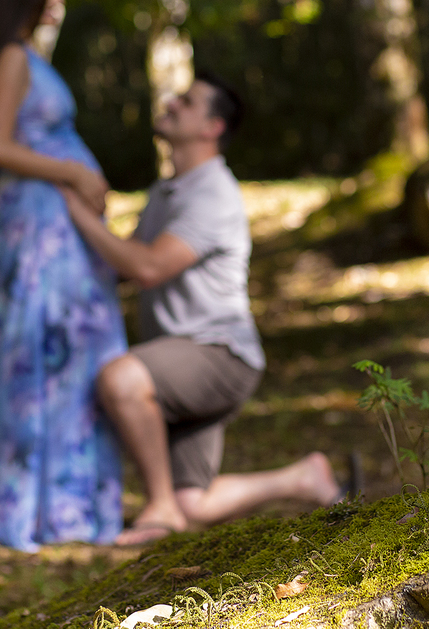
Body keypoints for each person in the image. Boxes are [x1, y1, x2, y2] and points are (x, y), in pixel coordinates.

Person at [61, 71, 344, 546]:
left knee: (121, 378)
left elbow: (149, 267)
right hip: (182, 358)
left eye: (187, 102)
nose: (171, 103)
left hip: (218, 355)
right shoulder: (168, 192)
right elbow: (126, 263)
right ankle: (302, 478)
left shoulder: (213, 193)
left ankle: (158, 507)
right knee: (195, 504)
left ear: (212, 127)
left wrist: (80, 215)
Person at [0, 0, 126, 550]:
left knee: (69, 354)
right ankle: (29, 509)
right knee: (36, 352)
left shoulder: (29, 56)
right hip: (33, 228)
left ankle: (67, 506)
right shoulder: (11, 58)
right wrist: (72, 173)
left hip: (54, 229)